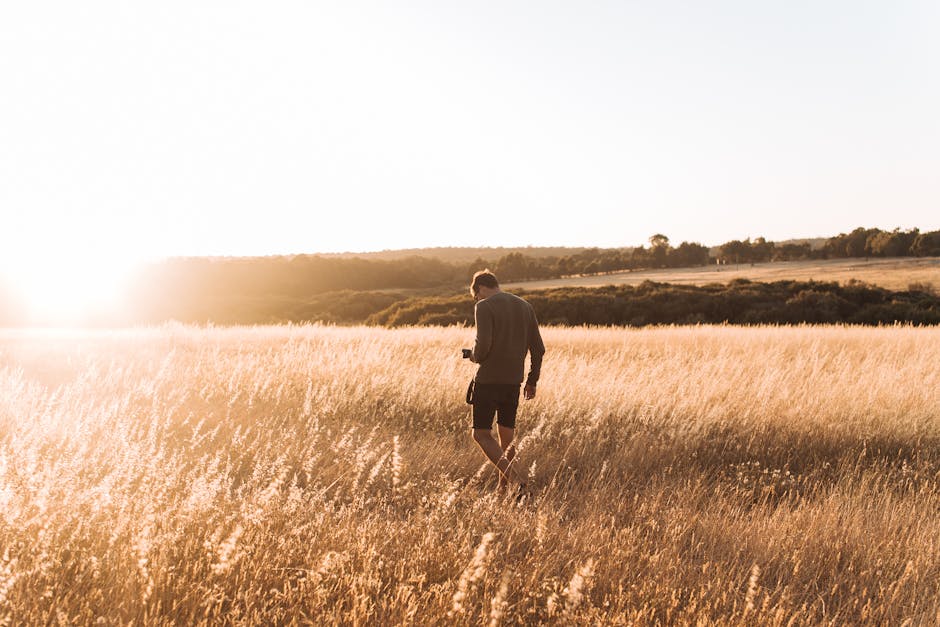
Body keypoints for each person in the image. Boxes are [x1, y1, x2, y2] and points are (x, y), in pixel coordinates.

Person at [466, 269, 545, 498]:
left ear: (480, 288)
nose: (477, 300)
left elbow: (481, 350)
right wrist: (532, 380)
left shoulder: (484, 306)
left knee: (480, 434)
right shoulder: (524, 306)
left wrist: (471, 355)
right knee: (506, 438)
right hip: (513, 382)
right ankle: (503, 491)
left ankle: (516, 480)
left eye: (476, 296)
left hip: (488, 381)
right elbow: (538, 349)